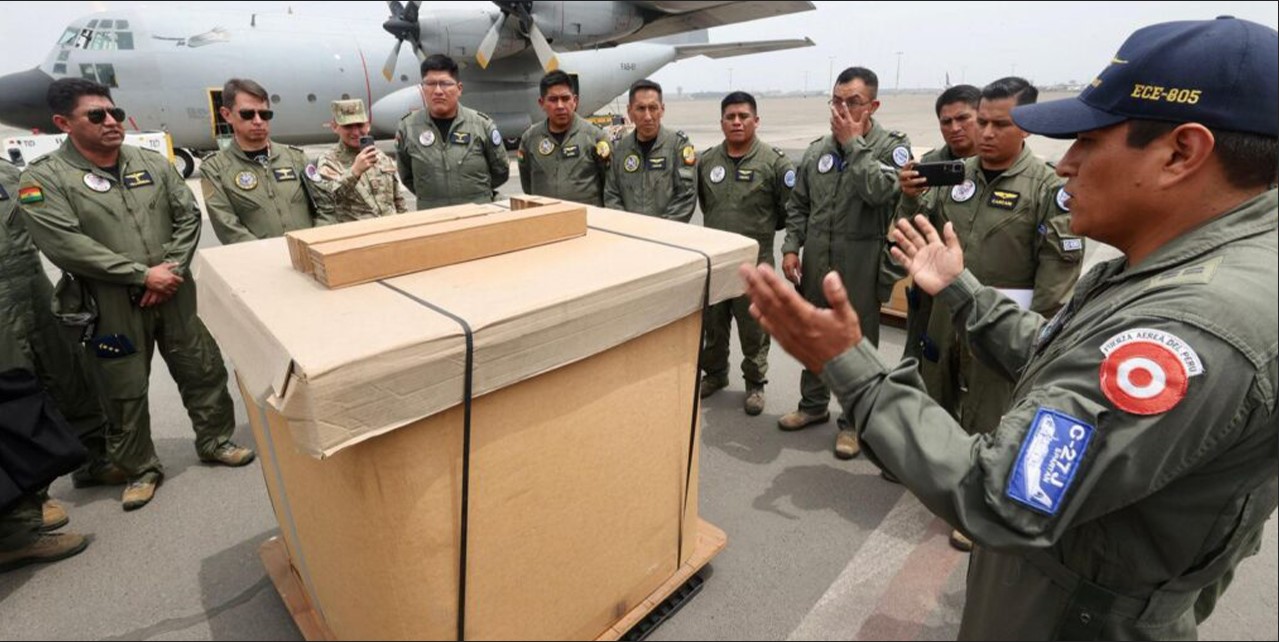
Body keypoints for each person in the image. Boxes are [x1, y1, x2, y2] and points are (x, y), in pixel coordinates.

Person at [741, 17, 1277, 639]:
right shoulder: (1186, 262)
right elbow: (1062, 355)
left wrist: (853, 367)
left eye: (1090, 140)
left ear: (1182, 153)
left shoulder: (1193, 326)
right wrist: (965, 292)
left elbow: (1000, 493)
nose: (1068, 163)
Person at [18, 78, 256, 512]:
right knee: (120, 387)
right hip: (108, 302)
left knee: (201, 367)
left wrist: (171, 270)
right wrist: (141, 276)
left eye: (114, 113)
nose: (111, 121)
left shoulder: (153, 164)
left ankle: (216, 440)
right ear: (63, 123)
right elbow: (64, 244)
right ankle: (140, 468)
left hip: (175, 290)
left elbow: (188, 218)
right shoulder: (45, 179)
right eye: (96, 115)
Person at [895, 79, 1083, 550]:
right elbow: (914, 230)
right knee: (935, 392)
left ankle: (978, 505)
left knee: (990, 413)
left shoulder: (1047, 188)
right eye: (982, 121)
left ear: (1027, 129)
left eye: (1002, 123)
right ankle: (940, 479)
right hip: (945, 312)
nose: (985, 132)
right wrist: (910, 195)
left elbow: (1056, 278)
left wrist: (1032, 340)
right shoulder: (955, 174)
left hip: (1004, 323)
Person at [777, 66, 910, 459]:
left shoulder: (890, 147)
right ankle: (813, 405)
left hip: (861, 258)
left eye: (853, 102)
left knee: (857, 343)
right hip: (819, 256)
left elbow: (880, 192)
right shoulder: (818, 150)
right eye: (836, 100)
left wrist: (854, 145)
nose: (842, 109)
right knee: (815, 333)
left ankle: (854, 422)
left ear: (873, 105)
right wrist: (790, 247)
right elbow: (799, 204)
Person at [1, 157, 117, 553]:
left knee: (69, 378)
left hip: (33, 291)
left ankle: (93, 461)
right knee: (14, 405)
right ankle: (26, 508)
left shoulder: (8, 173)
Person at [696, 91, 794, 415]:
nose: (736, 122)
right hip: (716, 260)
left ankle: (755, 383)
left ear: (756, 120)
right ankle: (715, 374)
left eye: (743, 116)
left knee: (754, 327)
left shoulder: (775, 163)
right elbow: (706, 204)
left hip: (755, 262)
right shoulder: (707, 161)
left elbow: (787, 211)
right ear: (721, 122)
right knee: (714, 323)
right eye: (730, 117)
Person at [895, 84, 981, 366]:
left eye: (963, 118)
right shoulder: (929, 165)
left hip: (979, 289)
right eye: (946, 121)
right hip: (932, 289)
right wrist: (909, 197)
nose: (954, 127)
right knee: (924, 366)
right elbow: (905, 228)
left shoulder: (993, 166)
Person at [201, 78, 331, 244]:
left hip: (310, 254)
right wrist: (267, 254)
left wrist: (316, 241)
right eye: (247, 114)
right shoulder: (214, 168)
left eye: (264, 114)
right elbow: (227, 225)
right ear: (227, 115)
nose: (258, 121)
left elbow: (326, 205)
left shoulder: (296, 158)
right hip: (259, 261)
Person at [395, 54, 510, 210]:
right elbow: (407, 177)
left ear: (459, 88)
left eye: (445, 83)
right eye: (430, 84)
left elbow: (501, 171)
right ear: (422, 88)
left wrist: (472, 195)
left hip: (478, 216)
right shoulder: (408, 128)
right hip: (433, 219)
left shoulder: (481, 125)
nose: (438, 91)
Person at [603, 79, 697, 221]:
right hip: (629, 236)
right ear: (630, 112)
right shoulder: (620, 150)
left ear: (662, 109)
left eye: (653, 108)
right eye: (641, 108)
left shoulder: (678, 146)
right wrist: (627, 227)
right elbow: (612, 195)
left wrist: (659, 231)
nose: (647, 116)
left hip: (666, 237)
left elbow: (685, 196)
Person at [517, 70, 612, 206]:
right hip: (546, 220)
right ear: (541, 103)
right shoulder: (530, 139)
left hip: (588, 220)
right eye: (553, 100)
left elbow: (609, 185)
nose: (560, 106)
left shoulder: (596, 138)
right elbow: (527, 183)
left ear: (575, 101)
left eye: (565, 99)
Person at [313, 98, 407, 221]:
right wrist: (354, 172)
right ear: (335, 127)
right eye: (348, 126)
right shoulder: (328, 161)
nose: (356, 132)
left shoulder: (380, 157)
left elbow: (398, 200)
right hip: (357, 234)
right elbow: (327, 200)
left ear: (368, 125)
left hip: (390, 230)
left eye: (360, 125)